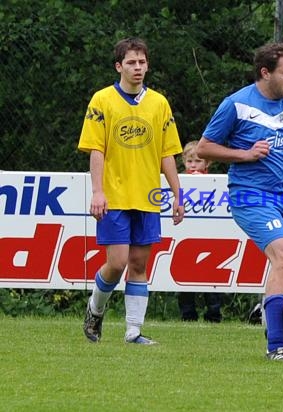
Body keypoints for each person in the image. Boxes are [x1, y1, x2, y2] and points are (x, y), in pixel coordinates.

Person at [196, 42, 283, 360]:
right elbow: (203, 148)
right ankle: (277, 345)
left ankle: (277, 318)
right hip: (251, 197)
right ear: (265, 73)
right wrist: (244, 154)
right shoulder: (237, 104)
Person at [78, 37, 184, 345]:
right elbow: (96, 150)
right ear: (119, 66)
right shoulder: (102, 101)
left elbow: (168, 153)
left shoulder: (159, 103)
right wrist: (98, 192)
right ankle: (95, 310)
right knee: (118, 262)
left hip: (148, 197)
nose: (138, 68)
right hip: (115, 195)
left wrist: (178, 194)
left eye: (142, 62)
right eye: (131, 63)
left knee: (139, 264)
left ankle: (133, 331)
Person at [177, 141, 223, 322]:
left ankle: (214, 314)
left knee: (213, 279)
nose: (193, 165)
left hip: (211, 238)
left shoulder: (216, 183)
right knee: (184, 277)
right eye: (189, 161)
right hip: (185, 237)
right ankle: (187, 314)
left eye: (198, 161)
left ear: (207, 163)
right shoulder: (178, 181)